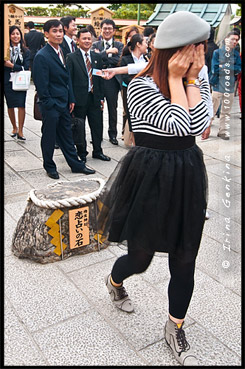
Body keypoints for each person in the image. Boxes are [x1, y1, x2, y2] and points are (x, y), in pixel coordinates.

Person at [97, 11, 211, 366]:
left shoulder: (197, 77)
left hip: (187, 173)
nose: (202, 57)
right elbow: (179, 125)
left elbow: (200, 124)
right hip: (150, 175)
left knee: (185, 257)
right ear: (178, 51)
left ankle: (174, 326)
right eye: (198, 50)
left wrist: (190, 80)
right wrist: (180, 82)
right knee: (141, 256)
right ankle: (114, 282)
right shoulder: (140, 86)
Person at [32, 19, 95, 179]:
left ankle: (75, 165)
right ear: (46, 34)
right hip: (51, 104)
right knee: (49, 136)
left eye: (60, 31)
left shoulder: (62, 52)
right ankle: (49, 166)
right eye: (55, 31)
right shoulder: (42, 56)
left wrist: (71, 99)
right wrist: (49, 104)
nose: (59, 34)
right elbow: (41, 85)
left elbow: (67, 79)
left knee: (67, 135)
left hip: (65, 103)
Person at [66, 28, 110, 163]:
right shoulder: (71, 57)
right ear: (78, 40)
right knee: (79, 126)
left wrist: (101, 97)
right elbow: (69, 80)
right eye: (84, 38)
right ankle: (82, 152)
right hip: (79, 99)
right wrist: (71, 99)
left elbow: (99, 78)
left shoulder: (96, 57)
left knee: (97, 126)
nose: (87, 41)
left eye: (89, 39)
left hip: (94, 97)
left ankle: (98, 151)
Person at [91, 19, 124, 145]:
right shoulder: (96, 45)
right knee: (97, 109)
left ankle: (113, 134)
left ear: (114, 30)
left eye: (110, 28)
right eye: (105, 28)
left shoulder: (119, 45)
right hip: (98, 80)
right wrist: (108, 52)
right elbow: (94, 59)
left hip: (112, 82)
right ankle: (97, 135)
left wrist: (102, 58)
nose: (107, 31)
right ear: (101, 30)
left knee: (112, 108)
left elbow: (118, 61)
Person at [208, 30, 241, 140]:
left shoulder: (236, 54)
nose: (234, 42)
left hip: (230, 85)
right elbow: (215, 69)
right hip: (218, 84)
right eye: (233, 39)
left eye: (236, 40)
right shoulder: (217, 52)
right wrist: (230, 68)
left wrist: (224, 67)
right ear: (226, 39)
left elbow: (238, 69)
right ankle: (206, 128)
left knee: (226, 111)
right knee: (212, 109)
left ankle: (222, 131)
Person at [4, 25, 30, 141]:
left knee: (21, 105)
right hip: (7, 81)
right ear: (9, 35)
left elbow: (26, 66)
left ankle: (21, 130)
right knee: (10, 105)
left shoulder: (25, 51)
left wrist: (13, 65)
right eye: (13, 33)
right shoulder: (5, 50)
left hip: (20, 81)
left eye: (18, 33)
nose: (15, 36)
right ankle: (14, 127)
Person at [120, 34, 148, 138]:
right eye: (145, 42)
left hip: (145, 92)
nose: (147, 45)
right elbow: (124, 77)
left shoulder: (147, 59)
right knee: (131, 114)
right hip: (129, 91)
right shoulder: (125, 59)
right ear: (138, 44)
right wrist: (139, 82)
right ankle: (133, 139)